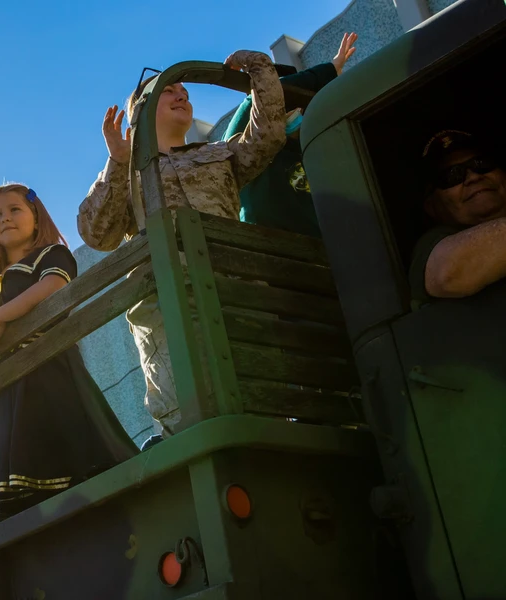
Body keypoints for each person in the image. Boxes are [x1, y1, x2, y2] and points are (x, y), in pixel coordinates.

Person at [78, 50, 286, 443]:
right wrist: (118, 163)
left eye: (185, 91)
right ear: (140, 114)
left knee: (263, 403)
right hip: (171, 317)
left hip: (235, 298)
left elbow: (268, 136)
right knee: (191, 420)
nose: (181, 95)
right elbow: (96, 233)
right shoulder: (129, 177)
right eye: (167, 91)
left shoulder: (219, 154)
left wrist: (260, 68)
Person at [0, 183, 137, 516]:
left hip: (48, 369)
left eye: (14, 210)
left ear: (36, 218)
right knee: (28, 477)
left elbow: (52, 286)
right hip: (12, 386)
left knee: (69, 453)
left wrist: (0, 316)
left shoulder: (51, 255)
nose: (5, 218)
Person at [222, 32, 358, 237]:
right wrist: (330, 69)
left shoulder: (313, 151)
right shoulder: (244, 140)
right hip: (275, 250)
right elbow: (263, 95)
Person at [409, 129, 506, 306]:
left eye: (481, 163)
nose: (473, 177)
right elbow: (449, 273)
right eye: (452, 175)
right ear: (432, 207)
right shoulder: (433, 244)